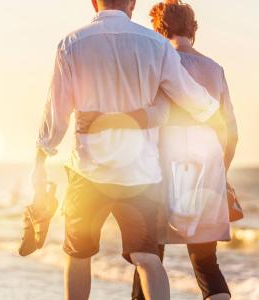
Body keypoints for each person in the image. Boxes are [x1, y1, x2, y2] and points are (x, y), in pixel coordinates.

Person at [31, 0, 220, 298]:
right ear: (132, 2)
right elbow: (195, 100)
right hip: (140, 173)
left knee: (79, 254)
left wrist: (42, 155)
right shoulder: (156, 45)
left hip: (87, 170)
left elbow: (56, 112)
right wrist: (211, 108)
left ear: (93, 2)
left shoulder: (71, 44)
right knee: (147, 258)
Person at [76, 2, 238, 300]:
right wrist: (220, 174)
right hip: (208, 166)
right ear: (193, 29)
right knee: (205, 263)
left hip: (161, 166)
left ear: (159, 30)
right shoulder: (216, 70)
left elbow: (151, 116)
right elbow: (230, 132)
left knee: (148, 257)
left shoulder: (158, 58)